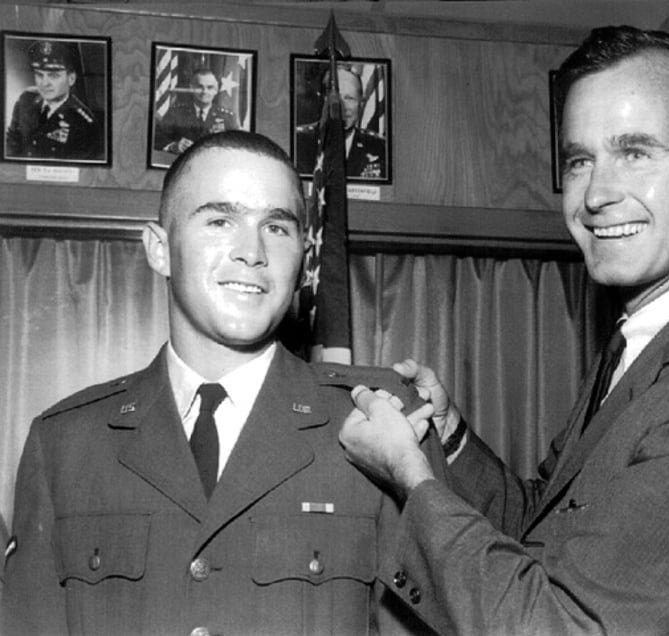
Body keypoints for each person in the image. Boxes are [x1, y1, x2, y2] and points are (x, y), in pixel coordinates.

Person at [339, 25, 669, 635]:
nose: (597, 194)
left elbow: (557, 622)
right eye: (579, 161)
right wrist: (450, 439)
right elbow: (542, 530)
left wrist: (410, 476)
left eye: (636, 152)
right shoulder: (646, 338)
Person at [1, 131, 436, 635]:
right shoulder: (65, 444)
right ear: (159, 249)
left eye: (276, 227)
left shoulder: (382, 420)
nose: (252, 251)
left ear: (302, 261)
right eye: (220, 220)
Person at [5, 40, 98, 160]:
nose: (44, 83)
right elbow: (11, 145)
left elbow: (78, 172)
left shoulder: (84, 124)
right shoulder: (26, 100)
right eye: (39, 75)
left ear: (71, 78)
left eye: (53, 76)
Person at [296, 65, 386, 179]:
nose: (342, 108)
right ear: (323, 99)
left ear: (361, 103)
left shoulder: (380, 147)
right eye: (336, 99)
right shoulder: (299, 141)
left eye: (350, 98)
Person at [156, 67, 241, 155]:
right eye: (200, 87)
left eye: (210, 87)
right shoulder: (176, 113)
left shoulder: (227, 117)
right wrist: (173, 146)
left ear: (216, 90)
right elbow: (156, 137)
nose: (204, 92)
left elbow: (237, 146)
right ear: (192, 88)